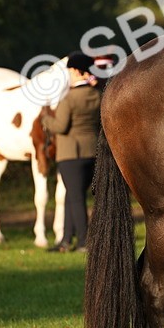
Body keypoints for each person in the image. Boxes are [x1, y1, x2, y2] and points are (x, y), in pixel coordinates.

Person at [42, 52, 101, 252]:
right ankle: (66, 240)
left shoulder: (69, 98)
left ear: (76, 70)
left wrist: (45, 117)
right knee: (72, 195)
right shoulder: (96, 95)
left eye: (69, 71)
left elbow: (60, 126)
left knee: (75, 197)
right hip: (92, 152)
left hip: (70, 154)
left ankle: (83, 242)